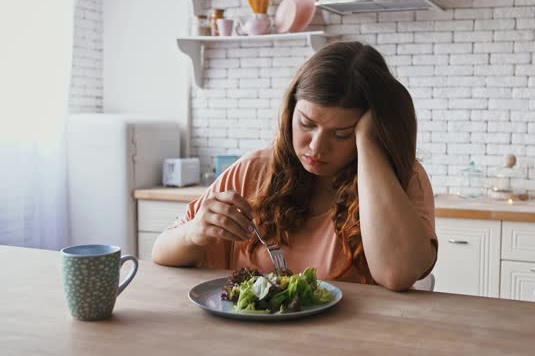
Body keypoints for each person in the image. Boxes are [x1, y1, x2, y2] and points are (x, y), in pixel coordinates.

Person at [152, 41, 438, 291]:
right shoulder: (253, 170)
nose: (316, 148)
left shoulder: (403, 178)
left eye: (342, 134)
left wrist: (371, 144)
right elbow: (161, 251)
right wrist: (195, 233)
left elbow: (396, 274)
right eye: (306, 124)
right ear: (290, 110)